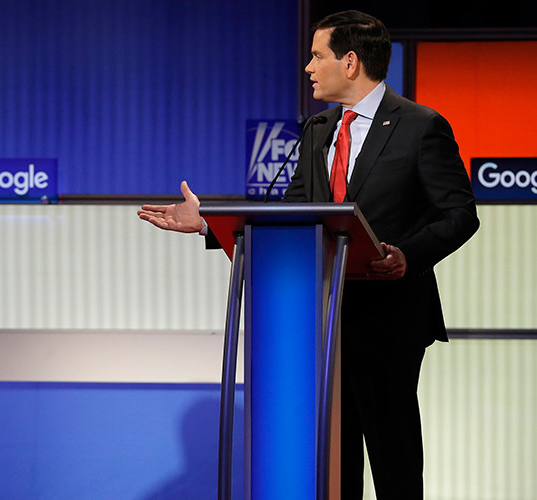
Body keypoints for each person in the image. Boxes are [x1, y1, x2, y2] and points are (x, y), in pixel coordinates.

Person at [138, 10, 479, 499]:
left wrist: (408, 255)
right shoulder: (318, 129)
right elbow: (294, 214)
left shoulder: (420, 127)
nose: (309, 67)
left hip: (390, 318)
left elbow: (459, 215)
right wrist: (210, 222)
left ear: (351, 61)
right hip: (320, 320)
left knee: (393, 457)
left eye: (318, 55)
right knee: (332, 466)